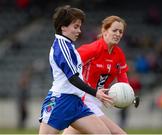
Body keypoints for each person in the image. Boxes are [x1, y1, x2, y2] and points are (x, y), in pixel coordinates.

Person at [38, 5, 113, 134]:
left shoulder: (69, 45)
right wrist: (96, 93)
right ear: (63, 27)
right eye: (76, 26)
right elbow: (73, 78)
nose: (79, 31)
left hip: (76, 103)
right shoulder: (62, 47)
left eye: (79, 26)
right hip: (61, 102)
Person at [63, 15, 131, 134]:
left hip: (96, 101)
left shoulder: (119, 54)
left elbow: (122, 76)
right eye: (114, 30)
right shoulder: (92, 49)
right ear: (104, 31)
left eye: (121, 31)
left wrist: (128, 94)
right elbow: (68, 66)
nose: (118, 34)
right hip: (83, 100)